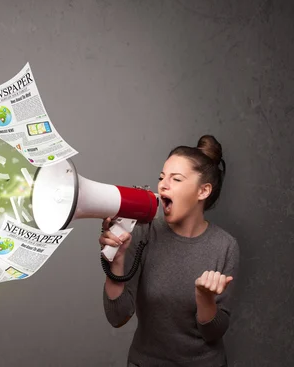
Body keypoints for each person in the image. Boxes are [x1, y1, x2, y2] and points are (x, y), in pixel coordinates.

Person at [100, 135, 240, 367]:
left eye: (176, 179)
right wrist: (117, 258)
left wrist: (205, 299)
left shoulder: (225, 246)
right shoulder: (144, 233)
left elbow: (213, 333)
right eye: (161, 177)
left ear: (203, 191)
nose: (163, 185)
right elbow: (117, 317)